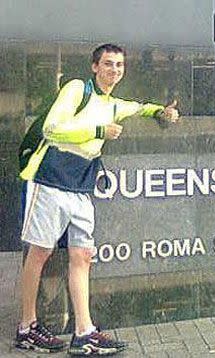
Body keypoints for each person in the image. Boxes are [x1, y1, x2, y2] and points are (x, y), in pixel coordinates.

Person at [15, 43, 179, 356]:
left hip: (82, 184)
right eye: (108, 64)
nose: (114, 70)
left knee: (83, 256)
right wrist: (99, 129)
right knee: (39, 253)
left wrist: (162, 112)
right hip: (51, 178)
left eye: (119, 65)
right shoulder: (77, 89)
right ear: (94, 66)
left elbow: (139, 107)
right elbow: (52, 129)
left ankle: (84, 333)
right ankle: (27, 327)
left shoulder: (114, 104)